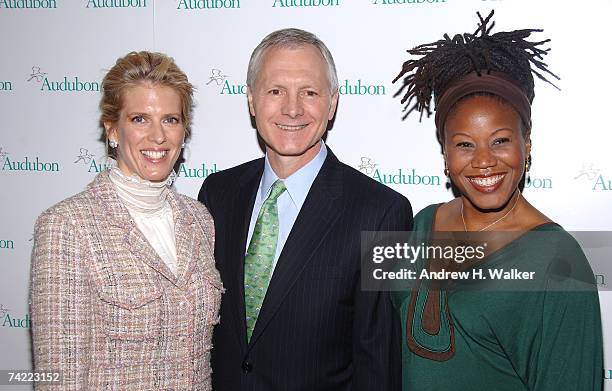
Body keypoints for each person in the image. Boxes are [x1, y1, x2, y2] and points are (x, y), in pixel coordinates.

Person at [392, 11, 603, 390]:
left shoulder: (560, 263)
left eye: (501, 140)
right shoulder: (422, 223)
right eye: (464, 145)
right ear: (444, 154)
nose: (484, 160)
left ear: (528, 144)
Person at [198, 28, 412, 390]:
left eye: (309, 92)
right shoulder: (217, 194)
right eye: (275, 91)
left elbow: (378, 363)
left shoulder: (381, 213)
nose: (292, 108)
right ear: (251, 100)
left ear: (331, 103)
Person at [30, 51, 222, 390]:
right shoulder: (68, 226)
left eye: (170, 119)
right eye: (139, 119)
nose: (158, 136)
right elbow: (58, 378)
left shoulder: (200, 220)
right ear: (112, 130)